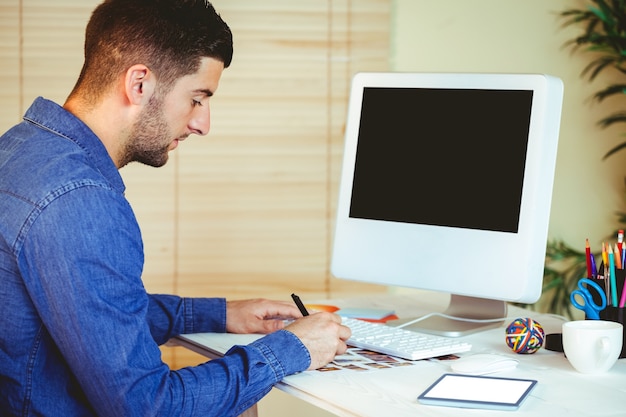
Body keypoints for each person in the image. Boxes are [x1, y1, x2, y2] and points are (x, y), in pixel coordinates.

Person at [0, 1, 351, 416]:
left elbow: (89, 312)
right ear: (140, 84)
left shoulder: (21, 150)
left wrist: (217, 314)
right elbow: (147, 406)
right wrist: (292, 349)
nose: (203, 124)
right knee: (243, 403)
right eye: (197, 98)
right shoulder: (79, 201)